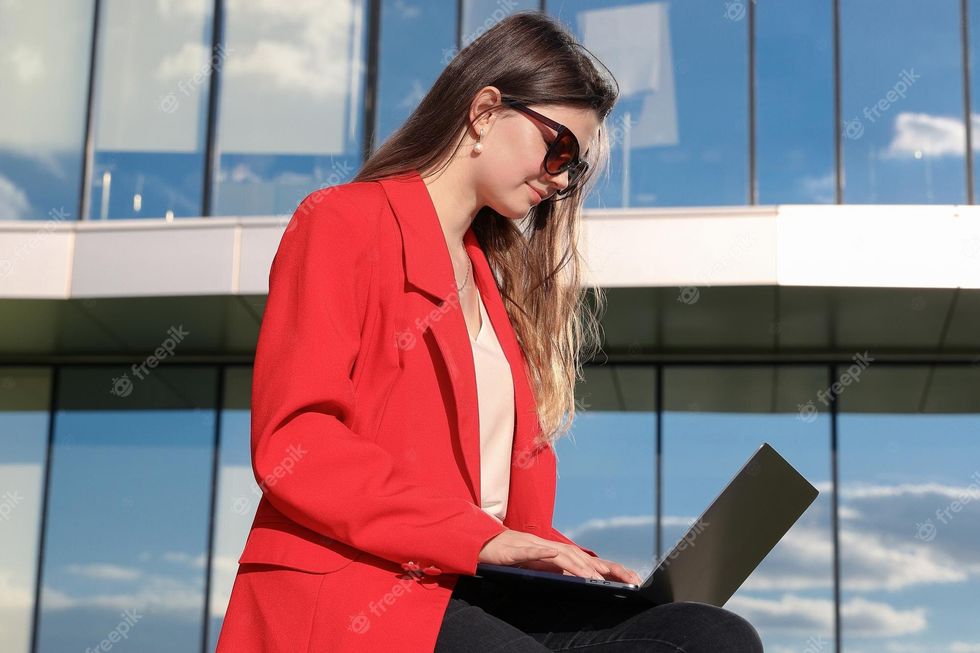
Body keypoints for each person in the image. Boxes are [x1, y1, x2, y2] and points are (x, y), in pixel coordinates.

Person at [216, 10, 764, 652]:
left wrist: (575, 562)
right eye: (559, 148)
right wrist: (477, 537)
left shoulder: (495, 287)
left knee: (703, 633)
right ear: (483, 112)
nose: (561, 178)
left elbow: (504, 509)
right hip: (366, 586)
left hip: (475, 588)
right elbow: (296, 441)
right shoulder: (343, 223)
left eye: (576, 168)